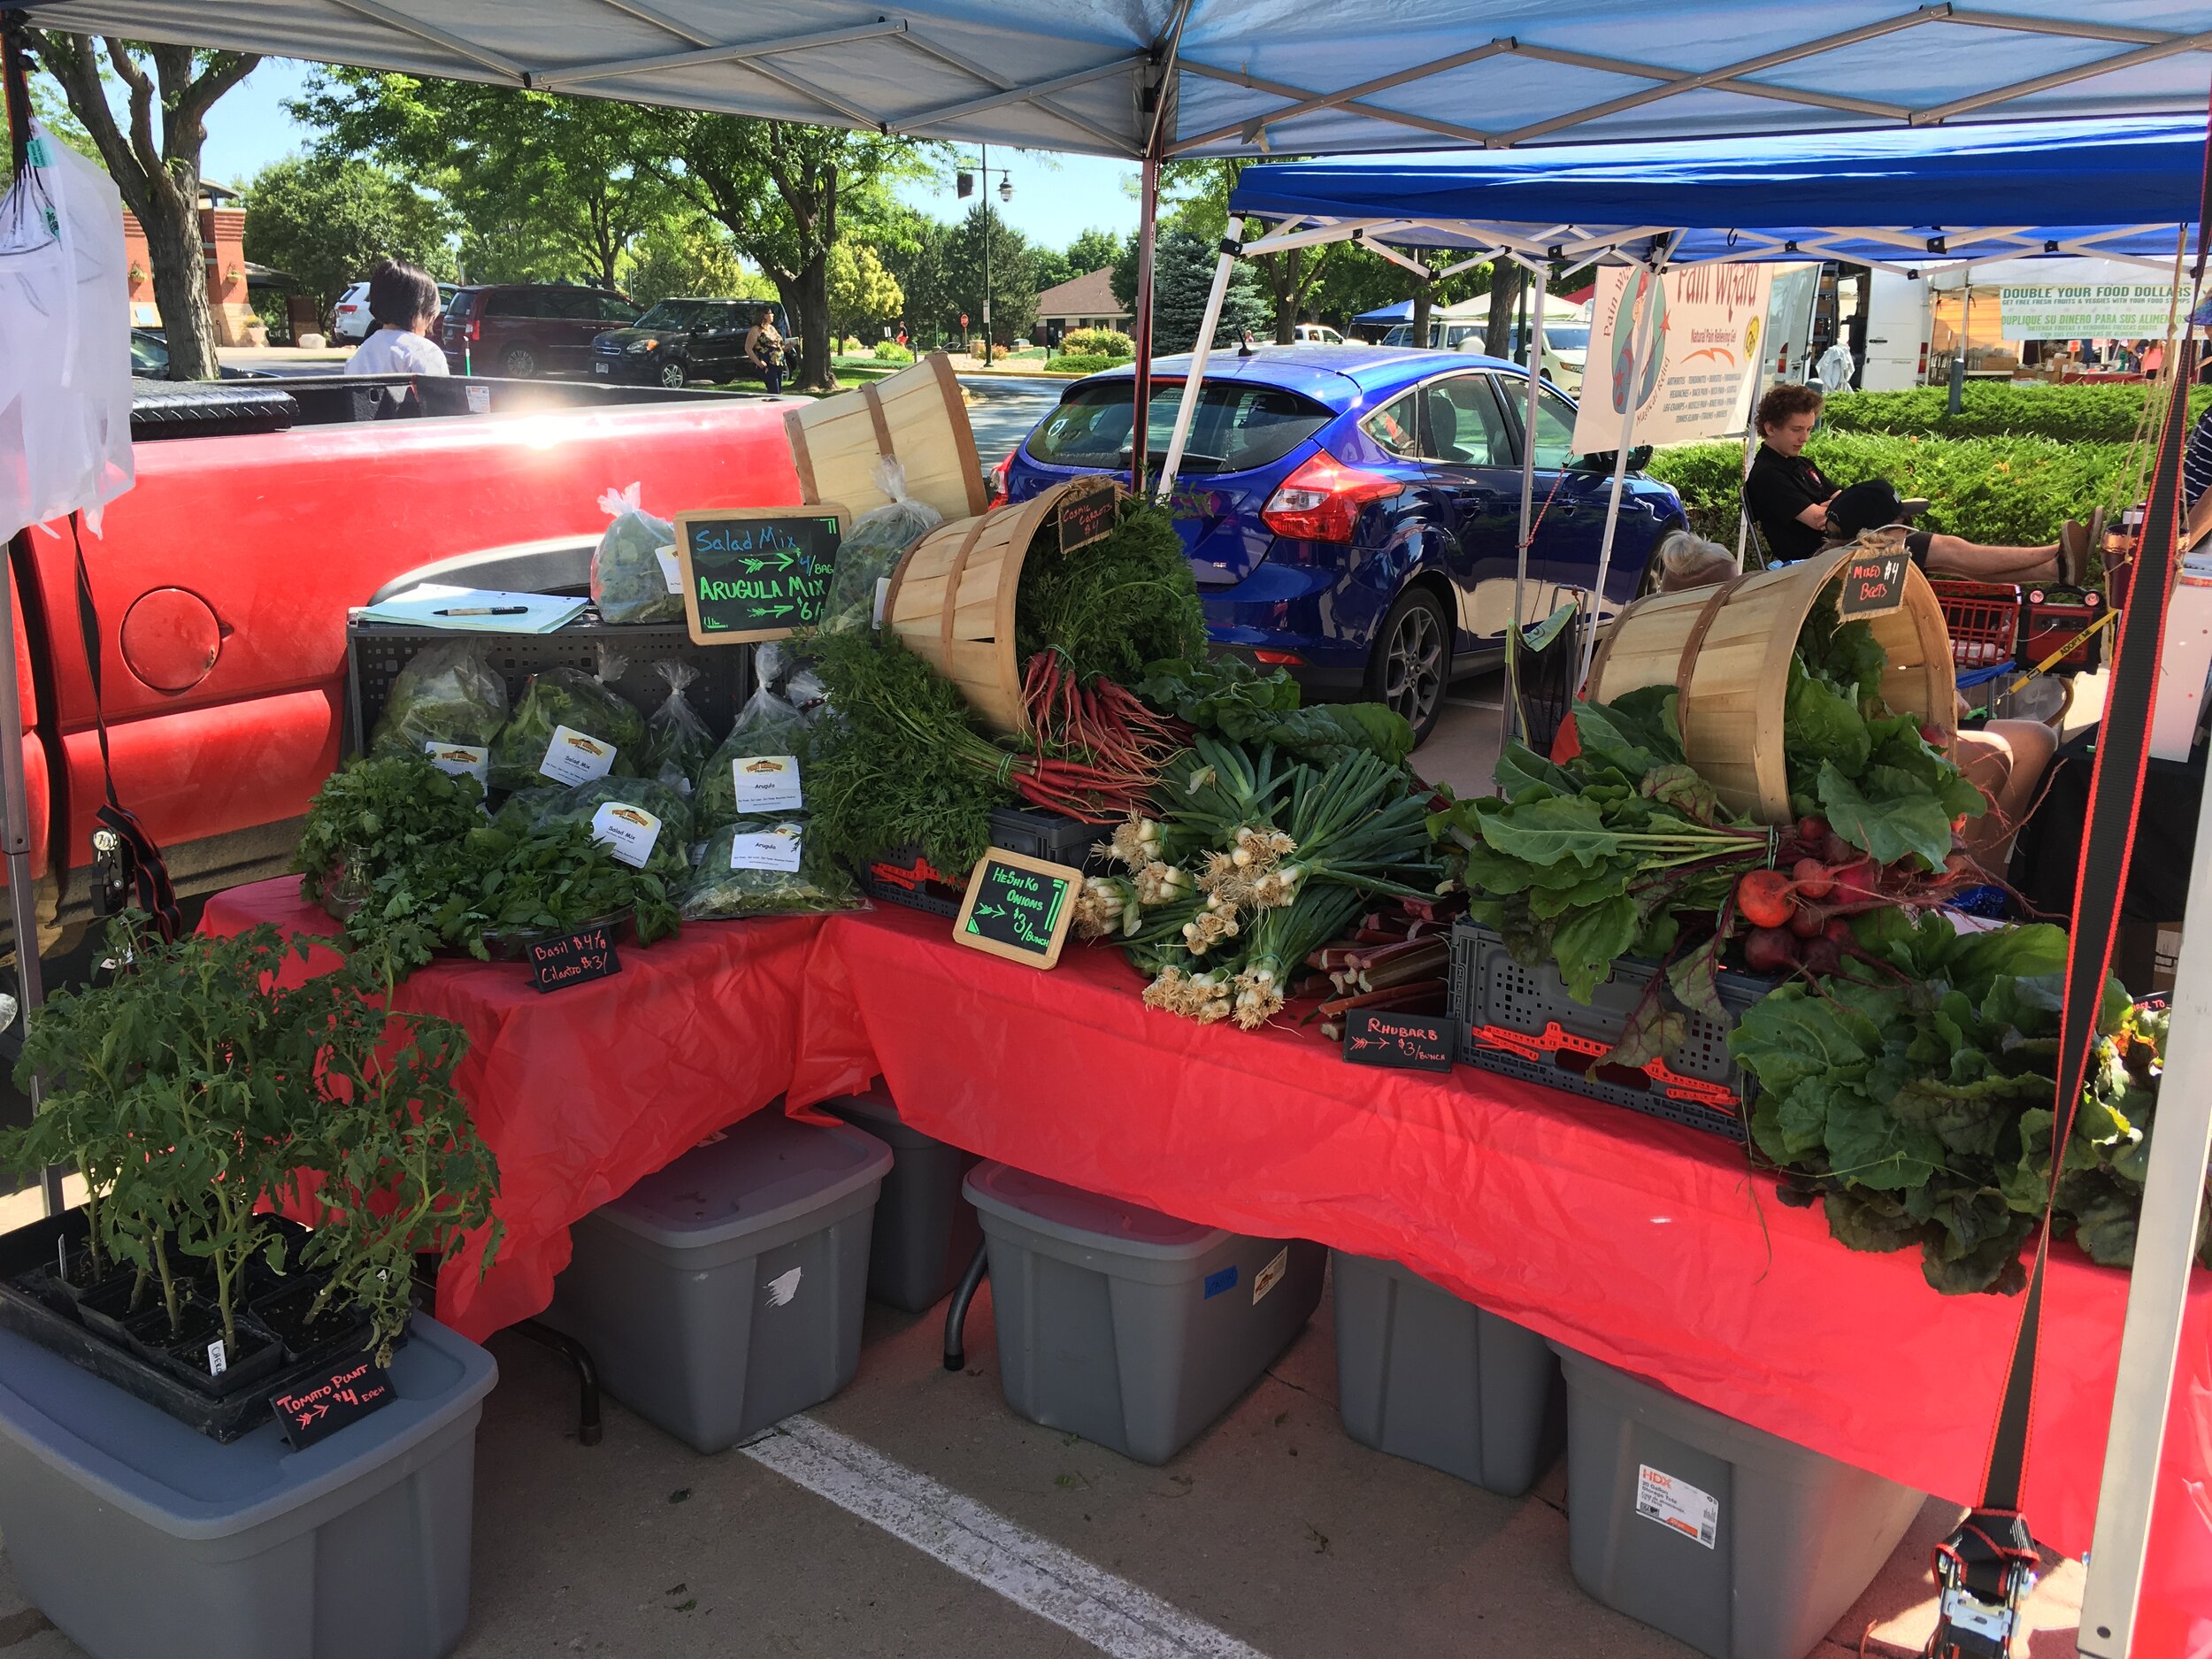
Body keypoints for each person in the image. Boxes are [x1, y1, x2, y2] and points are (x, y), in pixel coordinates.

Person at [1742, 384, 2085, 581]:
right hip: (1822, 560)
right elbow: (1821, 518)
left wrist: (1842, 507)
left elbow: (1839, 502)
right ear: (1770, 428)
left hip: (1849, 546)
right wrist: (1842, 507)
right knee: (1950, 550)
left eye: (1809, 429)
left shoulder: (1799, 463)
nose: (1804, 437)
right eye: (1796, 430)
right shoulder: (1767, 475)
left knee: (1949, 559)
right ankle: (2056, 553)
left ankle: (2056, 569)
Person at [342, 259, 448, 377]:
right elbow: (439, 395)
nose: (428, 329)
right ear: (419, 311)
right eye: (430, 319)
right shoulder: (426, 354)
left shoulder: (359, 357)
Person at [743, 305, 785, 395]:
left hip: (778, 363)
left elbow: (777, 344)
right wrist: (759, 363)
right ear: (764, 315)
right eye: (770, 313)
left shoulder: (771, 328)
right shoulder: (755, 330)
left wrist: (786, 347)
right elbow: (748, 348)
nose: (773, 315)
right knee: (774, 392)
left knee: (778, 393)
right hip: (767, 365)